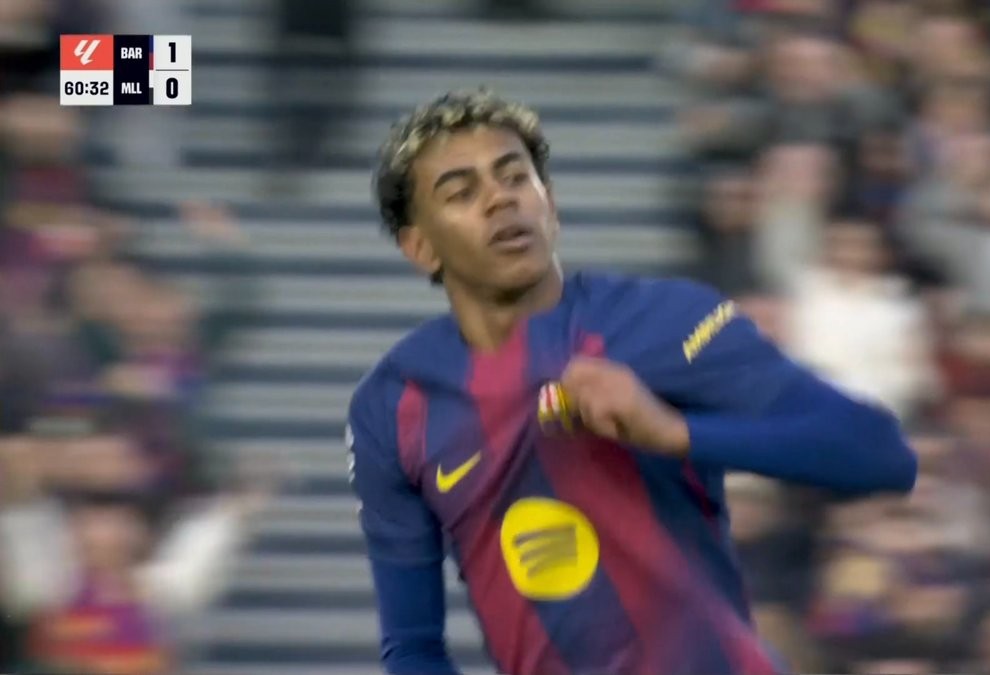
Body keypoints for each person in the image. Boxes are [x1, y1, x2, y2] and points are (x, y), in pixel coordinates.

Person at [349, 89, 918, 675]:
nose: (500, 198)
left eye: (515, 177)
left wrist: (677, 433)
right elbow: (413, 647)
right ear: (420, 247)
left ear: (551, 204)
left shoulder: (667, 321)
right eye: (462, 192)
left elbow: (881, 454)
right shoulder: (392, 407)